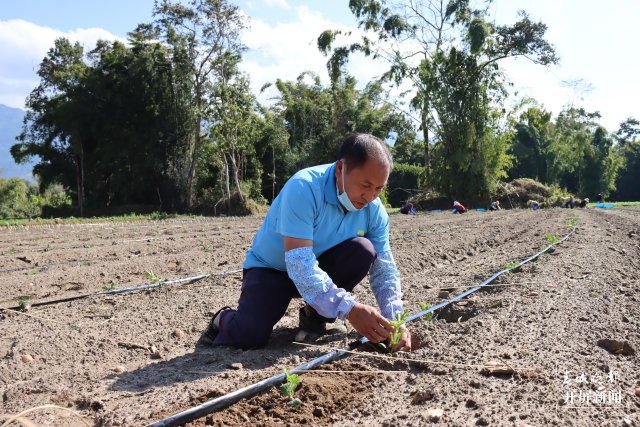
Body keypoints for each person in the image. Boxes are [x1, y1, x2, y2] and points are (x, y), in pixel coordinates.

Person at [200, 134, 411, 352]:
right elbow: (299, 264)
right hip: (273, 269)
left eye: (379, 188)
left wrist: (396, 318)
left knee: (363, 250)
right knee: (249, 335)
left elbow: (384, 269)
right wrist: (349, 309)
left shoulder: (374, 210)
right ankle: (222, 319)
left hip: (321, 267)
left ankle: (314, 316)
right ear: (340, 169)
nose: (370, 196)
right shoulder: (304, 188)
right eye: (365, 184)